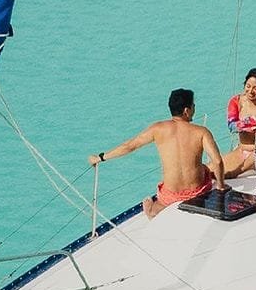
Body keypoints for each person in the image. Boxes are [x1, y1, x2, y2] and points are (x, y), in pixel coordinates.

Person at [90, 88, 226, 220]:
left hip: (171, 196)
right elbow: (218, 161)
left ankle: (154, 209)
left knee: (163, 194)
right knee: (206, 168)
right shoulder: (201, 132)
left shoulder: (158, 129)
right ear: (186, 110)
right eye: (193, 105)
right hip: (198, 192)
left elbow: (130, 146)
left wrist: (100, 157)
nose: (195, 108)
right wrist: (220, 186)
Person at [223, 67, 256, 176]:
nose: (250, 91)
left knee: (228, 174)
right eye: (248, 86)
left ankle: (238, 171)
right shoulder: (236, 101)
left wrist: (248, 125)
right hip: (242, 149)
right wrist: (250, 124)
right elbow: (232, 125)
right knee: (211, 169)